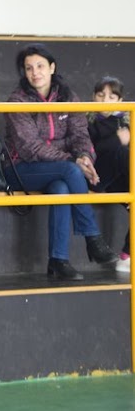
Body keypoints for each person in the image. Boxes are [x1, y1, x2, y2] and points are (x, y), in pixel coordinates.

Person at [4, 44, 117, 281]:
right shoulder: (17, 100)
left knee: (62, 188)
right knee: (69, 171)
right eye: (29, 68)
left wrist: (85, 157)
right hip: (20, 168)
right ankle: (92, 237)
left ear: (52, 67)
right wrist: (73, 161)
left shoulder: (68, 97)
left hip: (59, 170)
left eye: (40, 66)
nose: (35, 72)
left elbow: (80, 136)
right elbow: (30, 148)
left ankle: (58, 261)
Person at [88, 76, 130, 272]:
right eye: (100, 95)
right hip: (96, 177)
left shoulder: (126, 120)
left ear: (120, 101)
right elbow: (91, 151)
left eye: (112, 97)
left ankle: (127, 255)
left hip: (120, 179)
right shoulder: (87, 119)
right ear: (93, 97)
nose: (105, 100)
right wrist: (117, 139)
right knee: (122, 152)